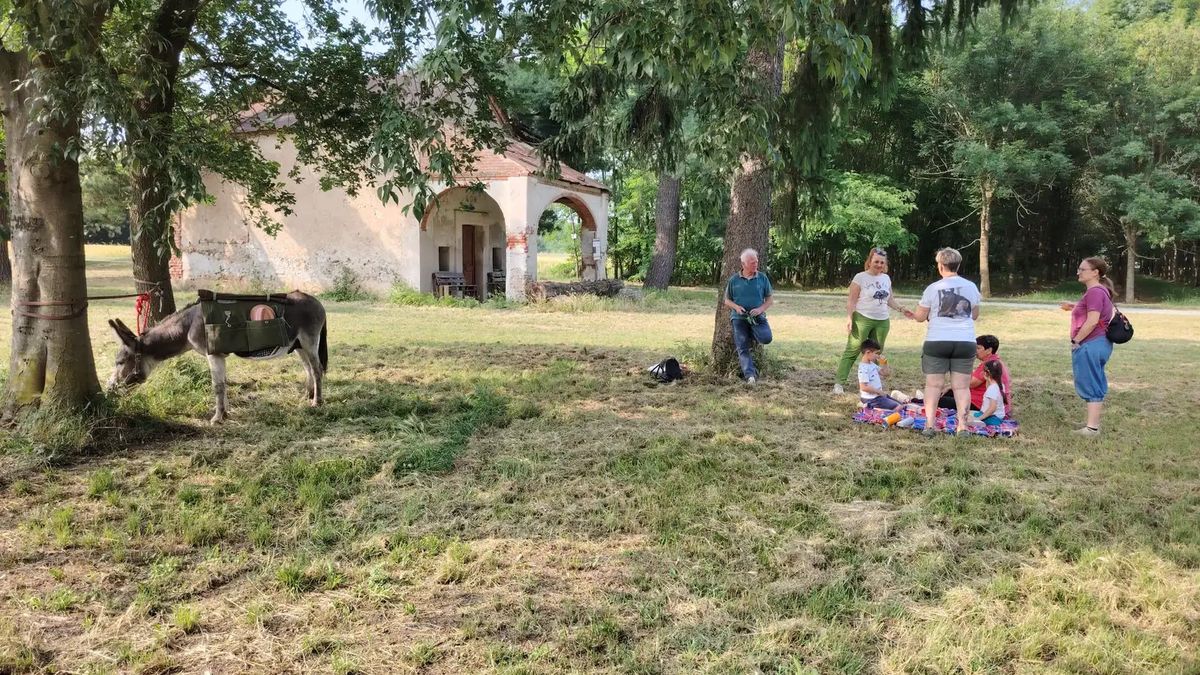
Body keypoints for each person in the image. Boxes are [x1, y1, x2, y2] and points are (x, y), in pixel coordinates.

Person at [911, 247, 981, 436]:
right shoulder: (971, 287)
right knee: (961, 386)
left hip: (937, 340)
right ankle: (962, 427)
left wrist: (915, 314)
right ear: (958, 265)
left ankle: (929, 425)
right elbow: (974, 314)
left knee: (933, 385)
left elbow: (920, 316)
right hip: (965, 341)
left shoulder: (933, 288)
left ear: (941, 266)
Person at [833, 247, 914, 394]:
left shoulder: (886, 278)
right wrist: (849, 318)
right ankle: (839, 383)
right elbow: (851, 301)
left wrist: (902, 309)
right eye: (876, 261)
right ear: (869, 261)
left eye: (882, 262)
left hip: (882, 320)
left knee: (876, 352)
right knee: (853, 350)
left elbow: (889, 299)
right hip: (863, 318)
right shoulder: (860, 277)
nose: (879, 265)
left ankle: (873, 383)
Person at [1060, 256, 1115, 436]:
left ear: (1095, 272)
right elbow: (1095, 311)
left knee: (1091, 382)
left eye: (1082, 269)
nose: (1078, 272)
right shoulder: (1100, 291)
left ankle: (1092, 428)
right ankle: (1093, 424)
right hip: (1099, 344)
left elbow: (1092, 321)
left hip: (1091, 344)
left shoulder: (1095, 292)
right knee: (1095, 381)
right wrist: (1074, 306)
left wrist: (1076, 340)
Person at [922, 335, 1013, 415]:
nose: (975, 351)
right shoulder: (995, 361)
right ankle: (921, 399)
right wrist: (950, 387)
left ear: (989, 350)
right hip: (981, 400)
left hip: (980, 405)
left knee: (938, 400)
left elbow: (970, 383)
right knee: (945, 393)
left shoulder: (989, 364)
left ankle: (918, 401)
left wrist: (966, 363)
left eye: (978, 348)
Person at [724, 248, 774, 384]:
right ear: (743, 264)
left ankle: (751, 333)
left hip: (757, 317)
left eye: (756, 262)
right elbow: (727, 300)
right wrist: (736, 307)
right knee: (742, 346)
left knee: (766, 338)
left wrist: (760, 309)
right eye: (752, 263)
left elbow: (770, 300)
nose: (755, 264)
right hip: (739, 318)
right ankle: (750, 376)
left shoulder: (762, 278)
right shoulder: (733, 280)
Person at [857, 339, 903, 410]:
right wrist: (879, 392)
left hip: (878, 396)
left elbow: (885, 373)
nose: (877, 356)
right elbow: (864, 387)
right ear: (868, 352)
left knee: (901, 405)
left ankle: (874, 408)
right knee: (898, 407)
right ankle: (880, 415)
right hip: (871, 399)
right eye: (876, 353)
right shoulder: (863, 368)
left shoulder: (871, 364)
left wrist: (884, 363)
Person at [970, 360, 1007, 428]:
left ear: (987, 373)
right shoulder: (1000, 385)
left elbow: (992, 408)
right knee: (969, 413)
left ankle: (981, 423)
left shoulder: (992, 389)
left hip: (993, 418)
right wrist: (987, 379)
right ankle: (980, 421)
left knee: (964, 416)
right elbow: (988, 389)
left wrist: (979, 418)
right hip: (997, 417)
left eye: (983, 371)